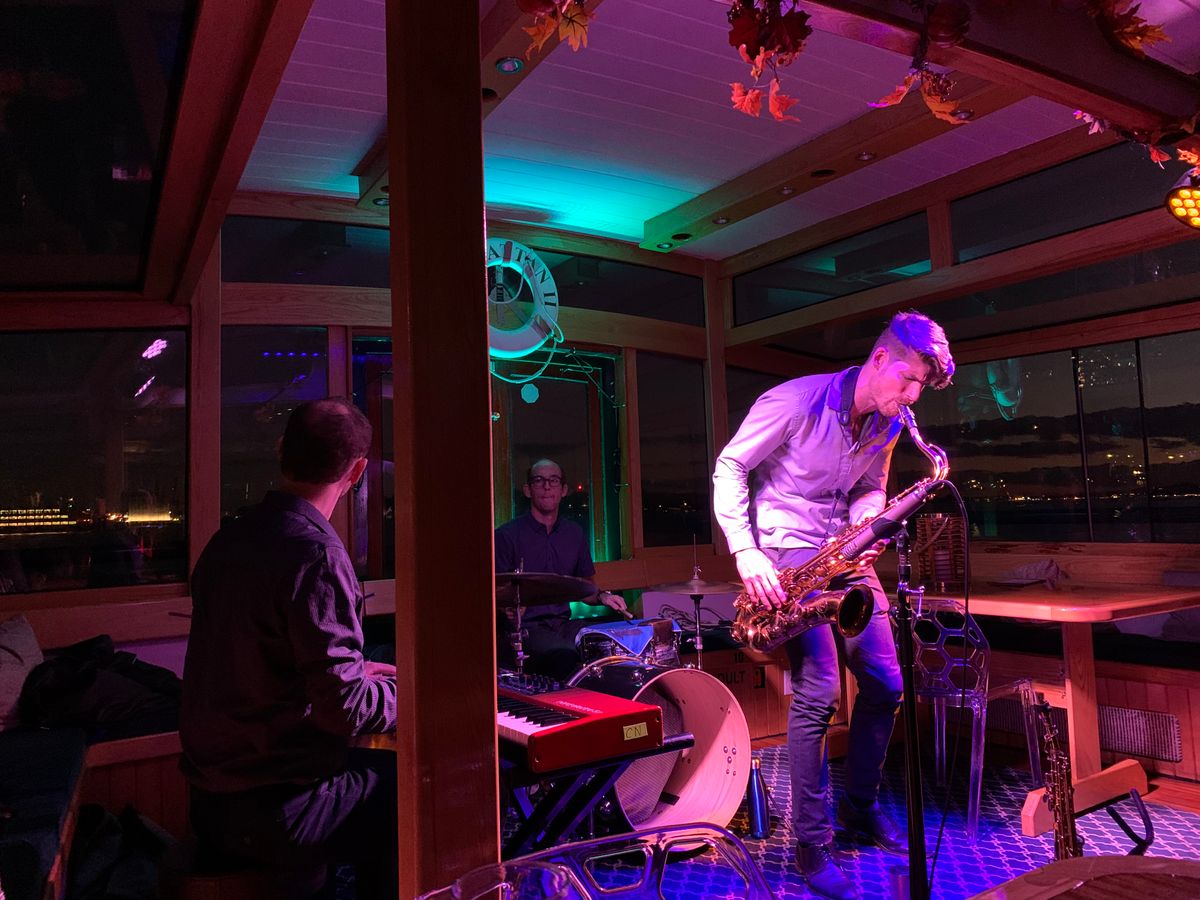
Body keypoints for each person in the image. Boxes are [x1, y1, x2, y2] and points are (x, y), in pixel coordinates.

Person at [713, 311, 954, 900]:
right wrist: (745, 550)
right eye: (908, 378)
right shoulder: (796, 401)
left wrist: (869, 519)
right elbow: (731, 465)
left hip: (844, 556)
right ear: (879, 358)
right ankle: (811, 841)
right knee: (818, 688)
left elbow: (869, 486)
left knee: (887, 684)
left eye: (922, 385)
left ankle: (858, 807)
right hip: (786, 558)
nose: (913, 395)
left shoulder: (891, 421)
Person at [180, 397, 397, 899]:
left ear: (282, 451)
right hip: (277, 809)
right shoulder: (315, 553)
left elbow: (261, 661)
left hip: (210, 801)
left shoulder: (228, 540)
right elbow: (344, 709)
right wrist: (408, 694)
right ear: (357, 472)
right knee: (422, 785)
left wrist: (360, 671)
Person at [494, 458, 627, 679]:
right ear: (527, 490)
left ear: (563, 490)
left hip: (564, 625)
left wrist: (604, 597)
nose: (547, 487)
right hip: (527, 629)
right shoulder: (506, 535)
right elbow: (496, 591)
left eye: (553, 480)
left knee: (609, 645)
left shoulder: (573, 534)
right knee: (564, 656)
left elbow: (586, 589)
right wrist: (507, 608)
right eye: (539, 480)